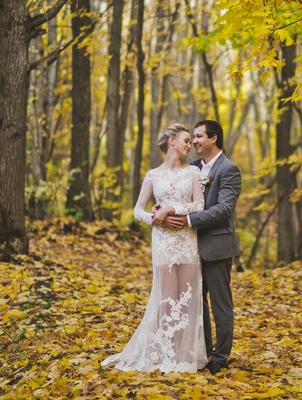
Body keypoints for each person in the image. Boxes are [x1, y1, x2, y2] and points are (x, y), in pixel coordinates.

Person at [101, 123, 208, 373]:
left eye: (191, 141)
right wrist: (155, 218)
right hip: (163, 241)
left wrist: (173, 209)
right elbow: (137, 209)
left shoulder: (193, 173)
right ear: (171, 141)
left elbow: (199, 206)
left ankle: (183, 357)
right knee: (167, 299)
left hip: (187, 239)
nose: (189, 144)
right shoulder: (153, 175)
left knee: (187, 297)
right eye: (185, 139)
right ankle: (165, 353)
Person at [162, 120, 241, 375]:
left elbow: (224, 209)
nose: (194, 141)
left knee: (220, 304)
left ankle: (221, 356)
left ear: (213, 138)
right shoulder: (193, 167)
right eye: (192, 137)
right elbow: (177, 195)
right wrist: (161, 208)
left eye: (198, 136)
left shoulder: (228, 169)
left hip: (216, 247)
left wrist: (187, 220)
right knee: (196, 303)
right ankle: (204, 351)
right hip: (189, 248)